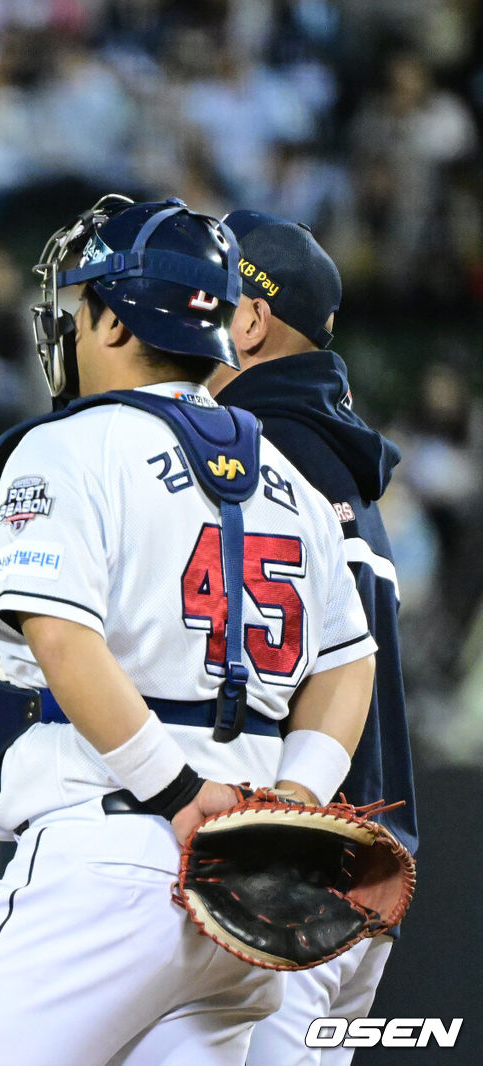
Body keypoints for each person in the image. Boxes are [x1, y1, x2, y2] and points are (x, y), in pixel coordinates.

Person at [0, 195, 378, 1066]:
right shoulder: (286, 474)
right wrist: (297, 798)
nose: (72, 326)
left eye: (81, 308)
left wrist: (180, 795)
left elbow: (64, 643)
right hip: (244, 895)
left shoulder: (65, 448)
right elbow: (350, 663)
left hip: (119, 852)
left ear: (114, 319)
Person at [208, 210, 418, 1066]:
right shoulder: (335, 454)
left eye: (202, 296)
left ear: (250, 322)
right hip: (372, 853)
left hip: (293, 856)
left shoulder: (259, 454)